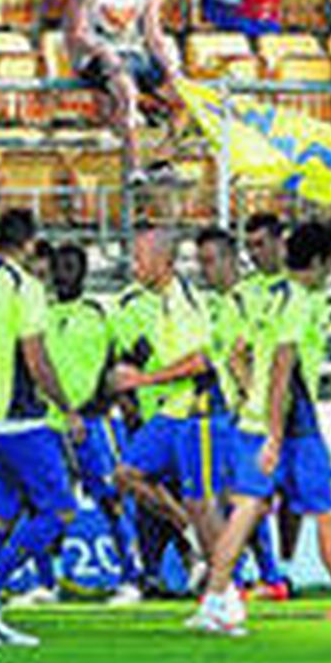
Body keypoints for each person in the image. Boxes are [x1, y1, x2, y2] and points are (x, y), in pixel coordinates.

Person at [190, 222, 331, 637]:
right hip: (292, 423)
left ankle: (216, 600)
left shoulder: (266, 297)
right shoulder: (300, 300)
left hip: (256, 417)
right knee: (328, 510)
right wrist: (275, 432)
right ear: (320, 261)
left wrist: (247, 397)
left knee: (246, 511)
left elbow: (239, 354)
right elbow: (282, 368)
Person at [0, 209, 85, 650]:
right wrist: (66, 407)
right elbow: (36, 358)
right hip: (17, 421)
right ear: (29, 245)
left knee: (0, 512)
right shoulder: (23, 287)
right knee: (58, 509)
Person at [110, 225, 221, 576]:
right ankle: (191, 537)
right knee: (127, 475)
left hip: (190, 411)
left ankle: (226, 580)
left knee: (201, 500)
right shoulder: (155, 300)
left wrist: (143, 379)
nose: (134, 266)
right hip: (167, 412)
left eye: (140, 258)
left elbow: (200, 361)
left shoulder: (183, 302)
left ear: (163, 261)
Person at [194, 225, 290, 600]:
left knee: (243, 498)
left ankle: (257, 577)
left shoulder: (249, 298)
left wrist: (251, 394)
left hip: (243, 415)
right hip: (230, 412)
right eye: (200, 262)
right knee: (242, 497)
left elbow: (244, 353)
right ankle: (262, 576)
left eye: (210, 260)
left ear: (231, 259)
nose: (205, 269)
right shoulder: (216, 304)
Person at [46, 241, 143, 603]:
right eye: (59, 266)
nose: (63, 274)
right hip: (51, 425)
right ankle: (52, 581)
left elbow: (127, 357)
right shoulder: (43, 314)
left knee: (110, 498)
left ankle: (131, 579)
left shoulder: (102, 313)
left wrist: (109, 402)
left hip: (93, 423)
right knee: (51, 503)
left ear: (84, 273)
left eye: (71, 266)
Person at [66, 0, 188, 180]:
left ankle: (161, 160)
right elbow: (77, 32)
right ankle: (133, 168)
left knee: (184, 100)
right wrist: (103, 51)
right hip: (99, 57)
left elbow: (154, 37)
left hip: (135, 56)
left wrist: (171, 69)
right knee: (126, 89)